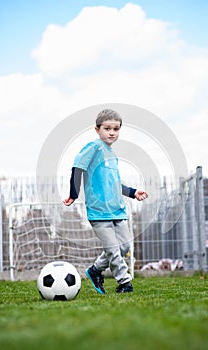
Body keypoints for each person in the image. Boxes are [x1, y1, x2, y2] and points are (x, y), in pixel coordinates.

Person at [63, 109, 148, 294]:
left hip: (117, 210)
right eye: (107, 128)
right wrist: (74, 193)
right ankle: (125, 283)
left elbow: (115, 184)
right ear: (97, 130)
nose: (112, 132)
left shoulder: (112, 155)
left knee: (124, 246)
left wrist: (133, 192)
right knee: (113, 250)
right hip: (99, 211)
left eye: (116, 129)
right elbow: (78, 167)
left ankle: (95, 270)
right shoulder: (93, 147)